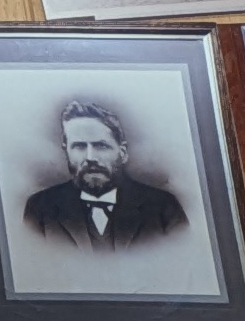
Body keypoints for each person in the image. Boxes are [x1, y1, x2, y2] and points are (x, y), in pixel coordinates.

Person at [18, 97, 189, 249]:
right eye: (79, 146)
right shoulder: (40, 208)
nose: (90, 158)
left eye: (101, 146)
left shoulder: (163, 208)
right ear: (66, 152)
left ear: (122, 153)